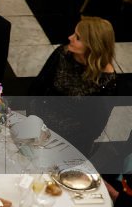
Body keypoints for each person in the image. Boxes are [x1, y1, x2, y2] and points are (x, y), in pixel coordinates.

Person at [29, 17, 117, 159]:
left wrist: (56, 141)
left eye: (77, 37)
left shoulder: (106, 80)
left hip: (69, 143)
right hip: (38, 125)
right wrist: (33, 121)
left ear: (92, 45)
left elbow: (94, 128)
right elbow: (37, 88)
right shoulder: (62, 54)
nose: (70, 38)